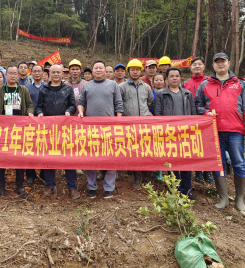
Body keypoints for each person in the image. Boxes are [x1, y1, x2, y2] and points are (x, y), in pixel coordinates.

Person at [195, 53, 245, 211]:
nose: (220, 65)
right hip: (214, 131)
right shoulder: (205, 85)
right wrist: (205, 112)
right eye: (217, 62)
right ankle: (223, 198)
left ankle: (239, 199)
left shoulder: (240, 84)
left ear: (229, 63)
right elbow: (197, 105)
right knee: (218, 164)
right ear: (213, 65)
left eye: (223, 62)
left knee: (239, 163)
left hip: (235, 130)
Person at [78, 60, 123, 199]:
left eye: (100, 68)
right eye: (95, 68)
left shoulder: (113, 85)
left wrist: (119, 119)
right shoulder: (87, 86)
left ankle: (109, 187)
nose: (98, 70)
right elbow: (81, 102)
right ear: (92, 71)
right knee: (91, 158)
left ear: (105, 70)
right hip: (91, 128)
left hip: (110, 127)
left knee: (111, 157)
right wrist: (80, 112)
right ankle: (92, 187)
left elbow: (118, 104)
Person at [0, 64, 34, 196]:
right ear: (5, 75)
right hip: (3, 129)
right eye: (10, 73)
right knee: (1, 156)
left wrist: (30, 113)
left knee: (19, 157)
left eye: (15, 73)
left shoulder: (23, 90)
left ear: (18, 76)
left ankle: (19, 184)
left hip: (20, 128)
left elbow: (29, 105)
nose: (13, 75)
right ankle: (1, 184)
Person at [35, 65, 79, 199]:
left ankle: (72, 187)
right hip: (49, 129)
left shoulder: (67, 89)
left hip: (65, 129)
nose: (55, 74)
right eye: (53, 72)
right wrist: (40, 113)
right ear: (49, 74)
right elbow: (38, 106)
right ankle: (50, 185)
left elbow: (73, 105)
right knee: (50, 156)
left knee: (68, 157)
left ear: (62, 74)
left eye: (58, 72)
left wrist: (69, 111)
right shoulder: (44, 89)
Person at [154, 67, 197, 201]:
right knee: (172, 163)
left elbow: (194, 114)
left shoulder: (187, 94)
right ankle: (176, 190)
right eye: (171, 76)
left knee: (186, 163)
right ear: (166, 79)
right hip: (169, 134)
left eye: (177, 76)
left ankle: (187, 190)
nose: (174, 78)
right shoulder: (161, 94)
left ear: (180, 78)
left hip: (185, 134)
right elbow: (158, 114)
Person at [119, 59, 154, 187]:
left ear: (141, 71)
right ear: (128, 72)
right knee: (134, 153)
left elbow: (150, 103)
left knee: (146, 152)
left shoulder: (146, 87)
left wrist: (145, 114)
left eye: (137, 69)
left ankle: (147, 178)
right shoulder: (121, 87)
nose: (135, 72)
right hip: (129, 125)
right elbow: (119, 104)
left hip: (145, 125)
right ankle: (137, 178)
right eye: (132, 70)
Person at [181, 56, 211, 183]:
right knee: (196, 146)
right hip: (191, 118)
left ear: (204, 66)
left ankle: (207, 172)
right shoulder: (185, 83)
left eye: (200, 64)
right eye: (194, 64)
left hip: (207, 118)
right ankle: (198, 172)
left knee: (208, 146)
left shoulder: (210, 82)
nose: (197, 66)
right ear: (190, 67)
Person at [24, 64, 46, 184]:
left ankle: (43, 173)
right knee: (30, 148)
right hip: (30, 122)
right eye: (34, 71)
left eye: (39, 71)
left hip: (45, 122)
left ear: (43, 73)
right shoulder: (26, 87)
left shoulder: (48, 87)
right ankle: (30, 174)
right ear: (31, 73)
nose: (37, 73)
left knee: (44, 147)